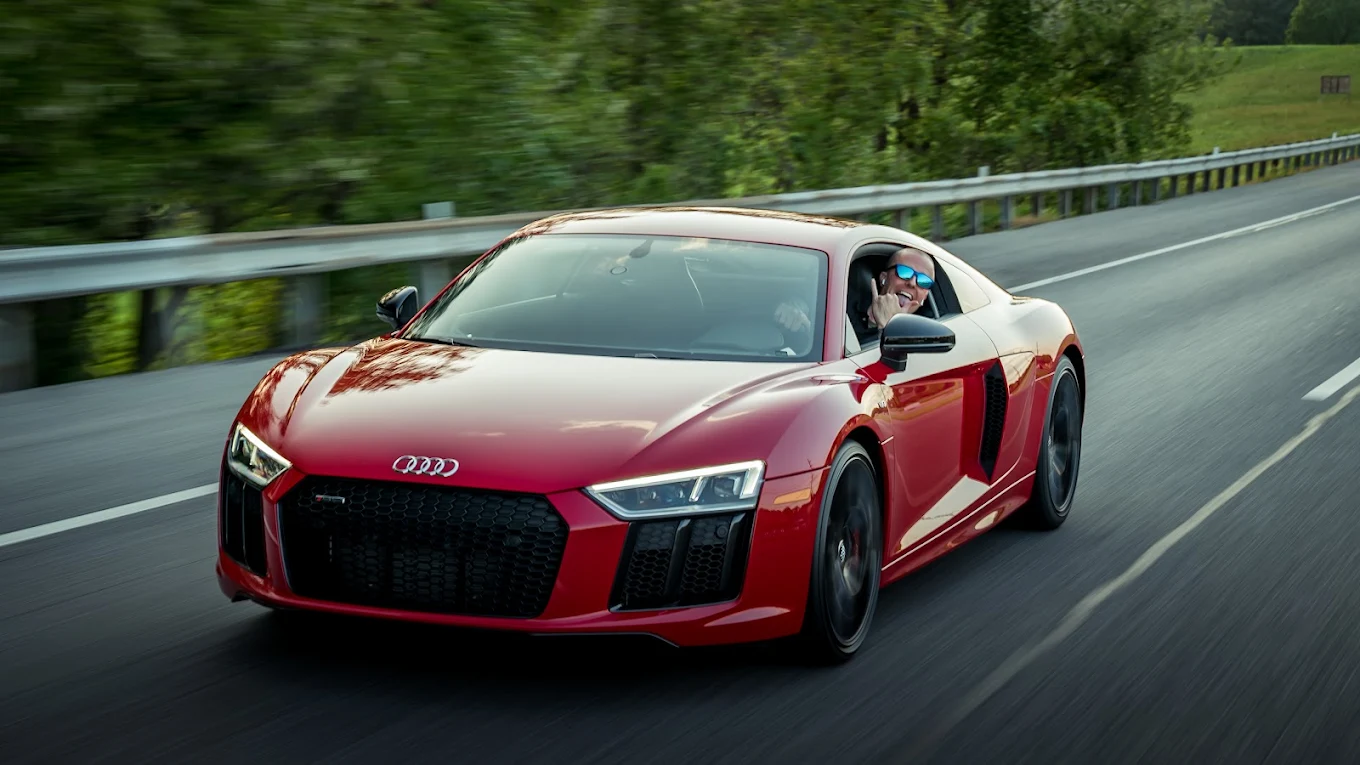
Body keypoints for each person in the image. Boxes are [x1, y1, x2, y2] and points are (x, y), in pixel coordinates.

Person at [774, 246, 936, 343]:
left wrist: (891, 326)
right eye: (905, 272)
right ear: (883, 278)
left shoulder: (926, 335)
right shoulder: (843, 301)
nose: (912, 283)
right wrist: (796, 307)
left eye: (924, 281)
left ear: (925, 297)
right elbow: (809, 303)